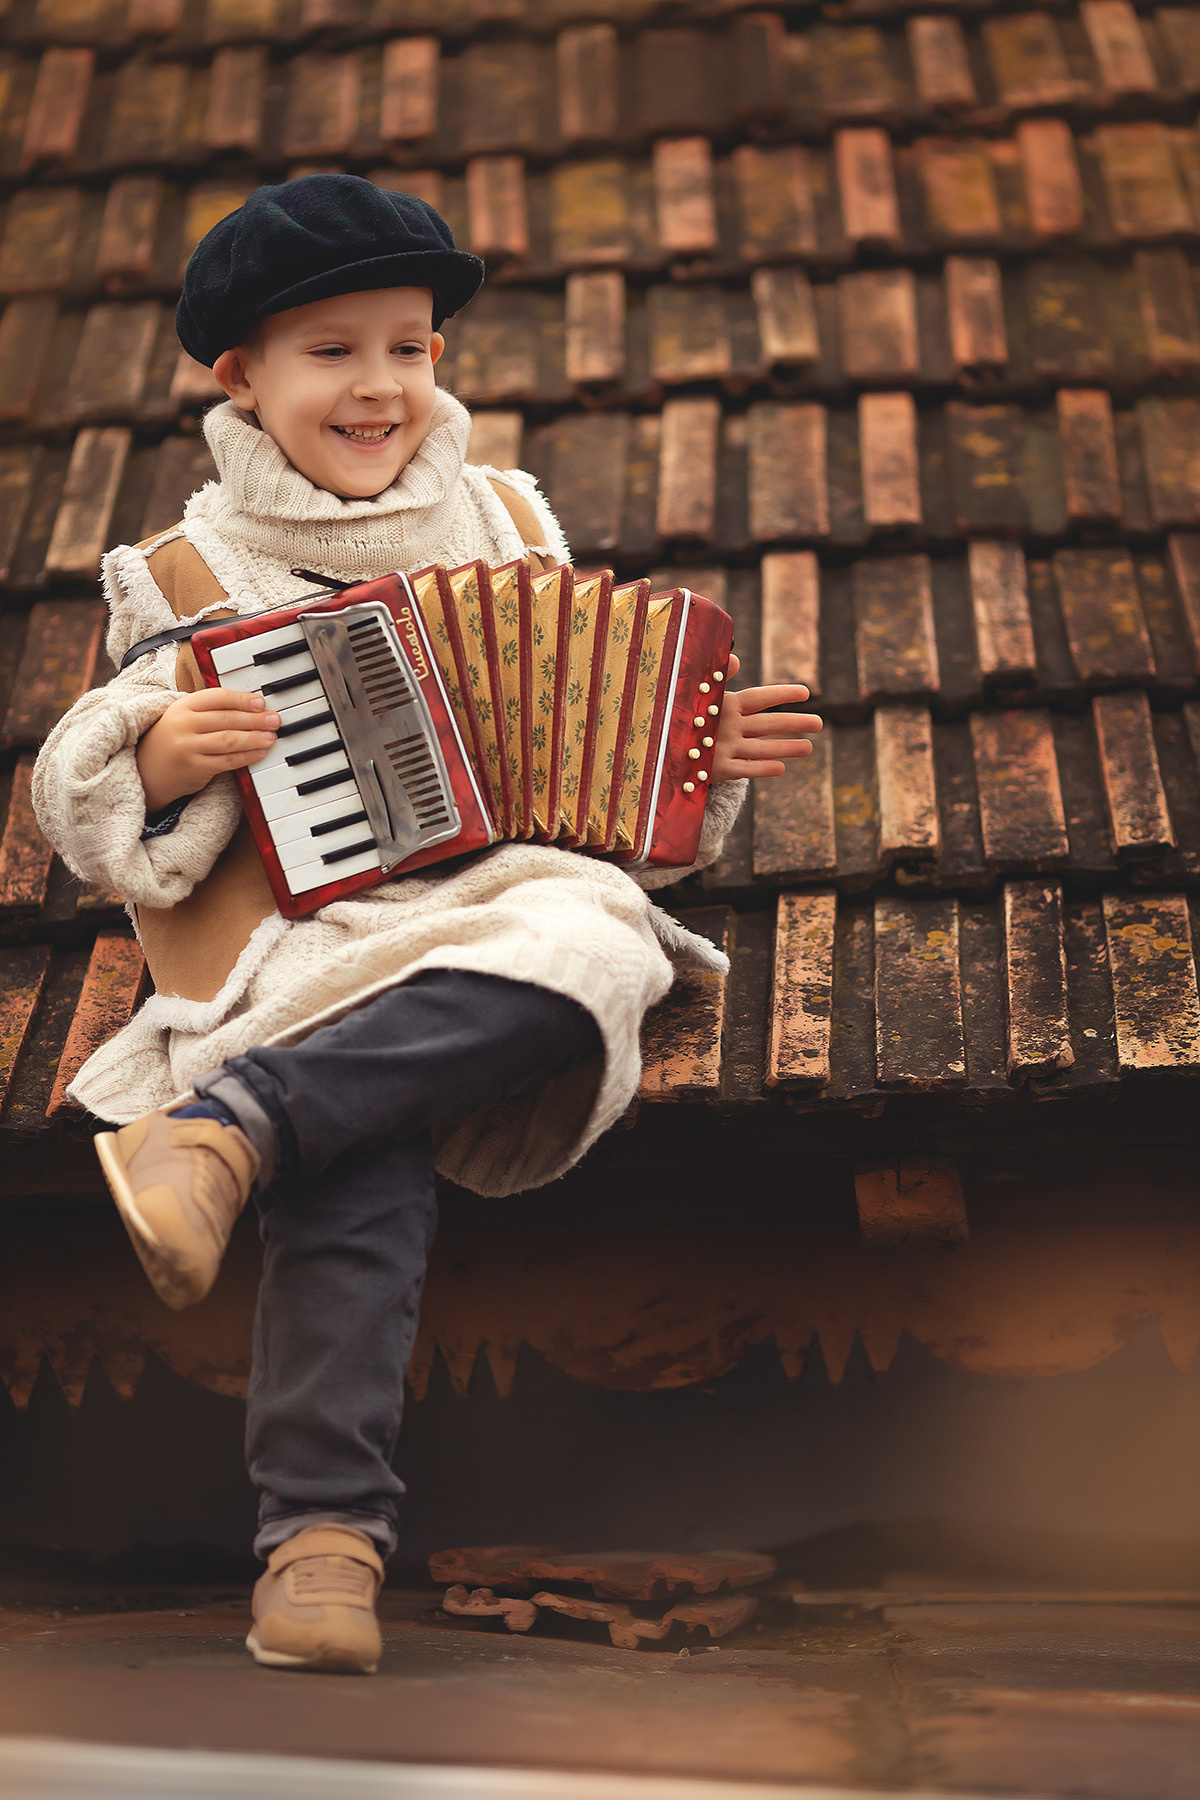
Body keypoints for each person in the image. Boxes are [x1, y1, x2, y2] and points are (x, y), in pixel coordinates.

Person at [32, 175, 822, 1675]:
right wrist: (158, 756)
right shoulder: (187, 572)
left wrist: (687, 766)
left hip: (508, 901)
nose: (380, 384)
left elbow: (594, 757)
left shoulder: (507, 516)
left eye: (409, 345)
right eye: (332, 351)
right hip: (314, 931)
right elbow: (88, 790)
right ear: (241, 377)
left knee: (601, 943)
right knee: (364, 1162)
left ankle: (226, 1137)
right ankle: (321, 1546)